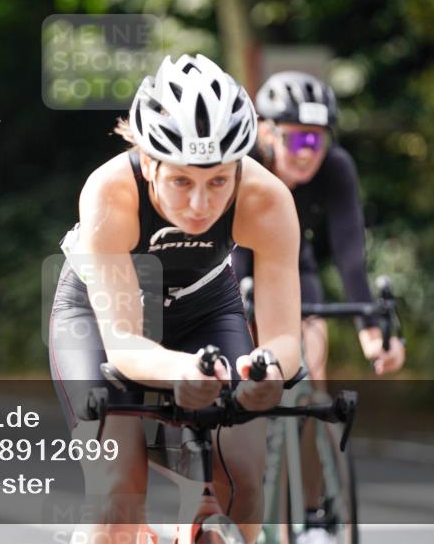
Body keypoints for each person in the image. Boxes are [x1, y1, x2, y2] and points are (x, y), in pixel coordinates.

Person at [49, 54, 302, 543]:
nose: (200, 204)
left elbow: (284, 337)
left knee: (243, 483)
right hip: (102, 319)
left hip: (204, 308)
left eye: (218, 182)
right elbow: (122, 343)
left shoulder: (266, 200)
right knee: (118, 494)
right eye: (181, 181)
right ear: (149, 163)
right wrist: (180, 371)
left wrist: (266, 371)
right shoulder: (110, 193)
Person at [233, 71, 406, 543]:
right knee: (240, 373)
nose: (308, 149)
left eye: (318, 137)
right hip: (237, 261)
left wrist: (372, 330)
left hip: (293, 266)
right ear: (266, 132)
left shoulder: (336, 168)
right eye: (296, 137)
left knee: (311, 374)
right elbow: (233, 260)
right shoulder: (244, 162)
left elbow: (352, 256)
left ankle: (313, 509)